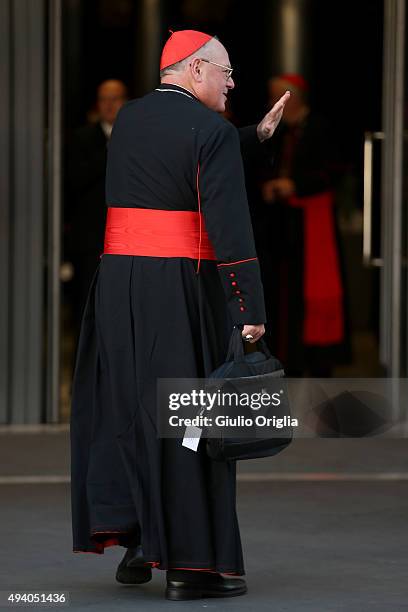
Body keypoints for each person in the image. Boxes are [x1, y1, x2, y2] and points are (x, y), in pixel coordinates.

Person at [70, 30, 289, 601]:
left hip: (119, 286)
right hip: (181, 288)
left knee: (133, 409)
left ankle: (139, 542)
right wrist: (249, 307)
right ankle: (193, 567)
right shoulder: (210, 132)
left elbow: (179, 148)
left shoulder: (133, 120)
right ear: (196, 71)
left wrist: (250, 136)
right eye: (226, 72)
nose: (232, 83)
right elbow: (230, 226)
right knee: (190, 421)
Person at [256, 74, 350, 376]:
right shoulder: (280, 131)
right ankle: (287, 358)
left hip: (313, 225)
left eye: (277, 96)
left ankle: (317, 360)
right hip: (284, 226)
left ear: (292, 98)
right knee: (285, 294)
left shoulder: (319, 128)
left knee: (312, 293)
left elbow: (332, 172)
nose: (273, 102)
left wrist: (294, 185)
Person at [65, 79, 128, 340]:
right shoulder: (81, 138)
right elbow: (73, 180)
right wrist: (110, 150)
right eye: (104, 99)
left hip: (128, 237)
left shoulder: (137, 136)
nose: (110, 104)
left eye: (116, 98)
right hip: (91, 238)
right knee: (86, 307)